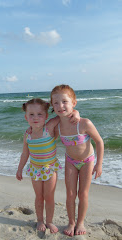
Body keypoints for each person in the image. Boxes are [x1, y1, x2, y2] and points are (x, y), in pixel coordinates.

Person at [16, 98, 80, 233]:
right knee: (39, 196)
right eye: (31, 114)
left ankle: (49, 221)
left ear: (46, 116)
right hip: (35, 170)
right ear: (26, 117)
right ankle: (40, 219)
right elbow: (25, 154)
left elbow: (63, 114)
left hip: (50, 168)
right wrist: (20, 168)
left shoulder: (49, 127)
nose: (35, 118)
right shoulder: (27, 135)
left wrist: (76, 112)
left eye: (40, 114)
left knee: (49, 196)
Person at [50, 84, 104, 236]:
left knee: (83, 194)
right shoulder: (57, 124)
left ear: (74, 103)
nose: (60, 106)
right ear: (52, 106)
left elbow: (99, 142)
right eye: (56, 103)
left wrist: (99, 164)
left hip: (87, 161)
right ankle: (71, 222)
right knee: (70, 194)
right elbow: (43, 127)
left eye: (65, 101)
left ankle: (80, 222)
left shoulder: (84, 123)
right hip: (70, 161)